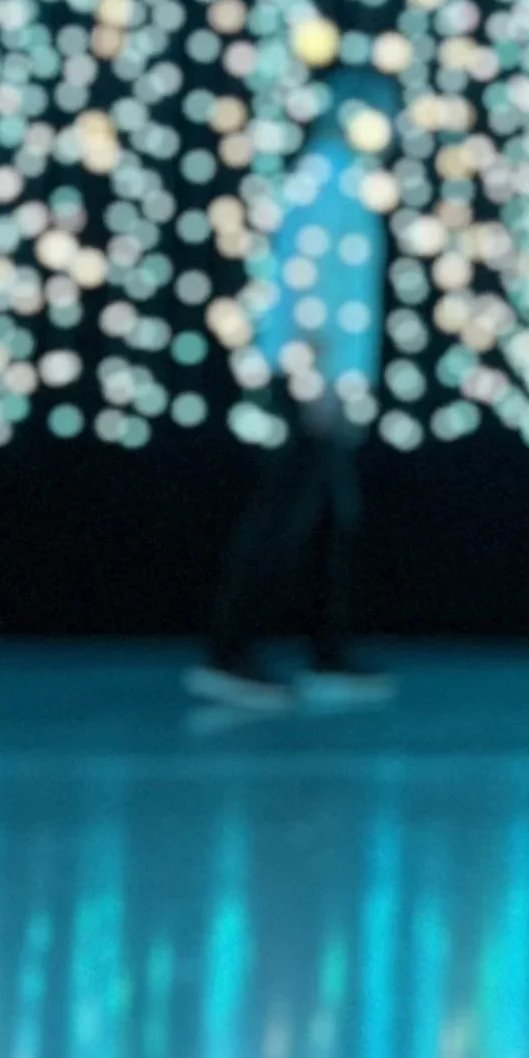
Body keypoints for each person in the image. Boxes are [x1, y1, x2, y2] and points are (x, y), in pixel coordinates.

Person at [188, 85, 394, 709]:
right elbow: (311, 287)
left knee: (328, 516)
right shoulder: (327, 183)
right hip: (313, 380)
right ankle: (233, 650)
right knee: (287, 515)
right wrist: (319, 381)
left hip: (321, 379)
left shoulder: (338, 180)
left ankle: (323, 650)